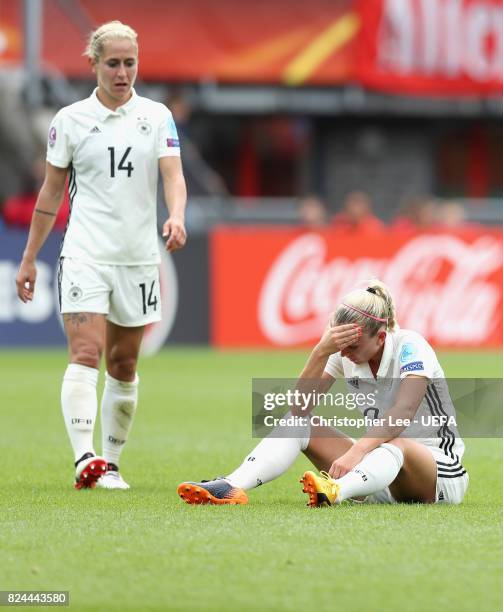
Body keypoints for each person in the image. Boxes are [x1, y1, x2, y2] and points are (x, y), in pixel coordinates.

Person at [15, 21, 187, 490]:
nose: (122, 72)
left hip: (138, 258)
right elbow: (51, 194)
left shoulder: (157, 116)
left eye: (130, 62)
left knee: (124, 364)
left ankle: (110, 462)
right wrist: (30, 257)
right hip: (85, 253)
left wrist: (176, 215)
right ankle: (83, 457)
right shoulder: (68, 121)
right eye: (113, 63)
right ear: (93, 64)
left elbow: (173, 175)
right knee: (86, 352)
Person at [177, 279, 468, 507]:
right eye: (339, 345)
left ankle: (335, 490)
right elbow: (300, 408)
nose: (345, 353)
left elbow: (403, 413)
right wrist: (320, 351)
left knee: (399, 445)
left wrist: (355, 453)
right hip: (374, 472)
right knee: (297, 422)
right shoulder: (343, 352)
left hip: (439, 475)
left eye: (352, 346)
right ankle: (231, 486)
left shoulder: (411, 346)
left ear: (380, 337)